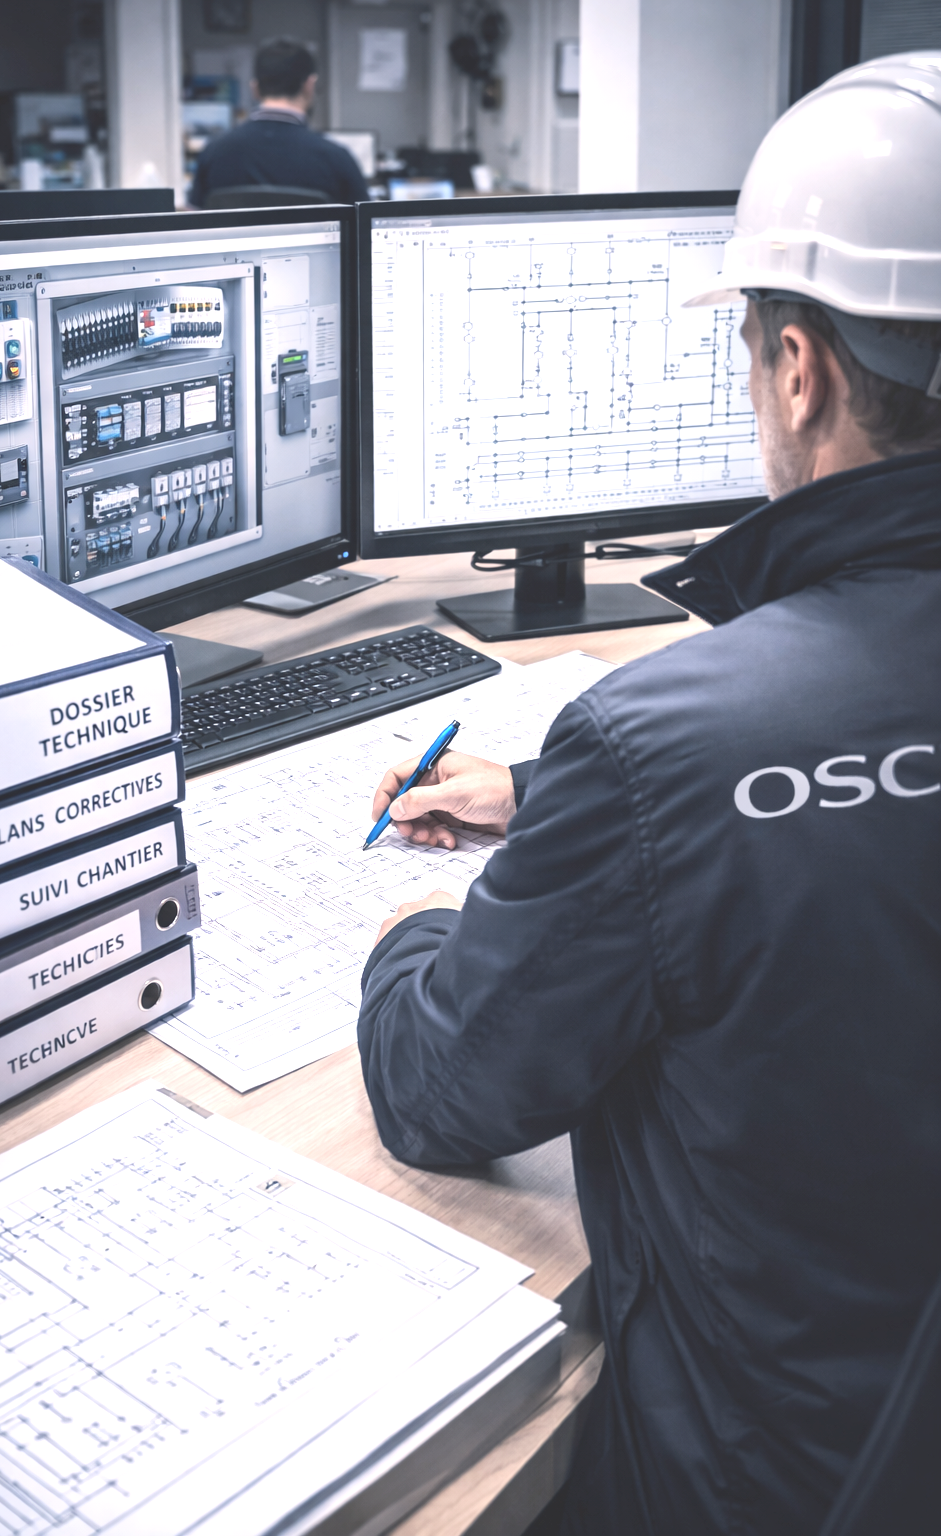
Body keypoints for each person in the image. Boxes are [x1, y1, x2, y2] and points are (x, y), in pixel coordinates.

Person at [356, 53, 941, 1536]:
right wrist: (552, 793)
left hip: (765, 1479)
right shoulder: (655, 757)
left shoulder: (666, 737)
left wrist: (421, 929)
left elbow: (442, 1095)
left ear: (799, 365)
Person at [188, 38, 369, 209]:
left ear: (255, 88)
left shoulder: (213, 153)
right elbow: (365, 229)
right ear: (309, 85)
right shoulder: (336, 159)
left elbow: (194, 222)